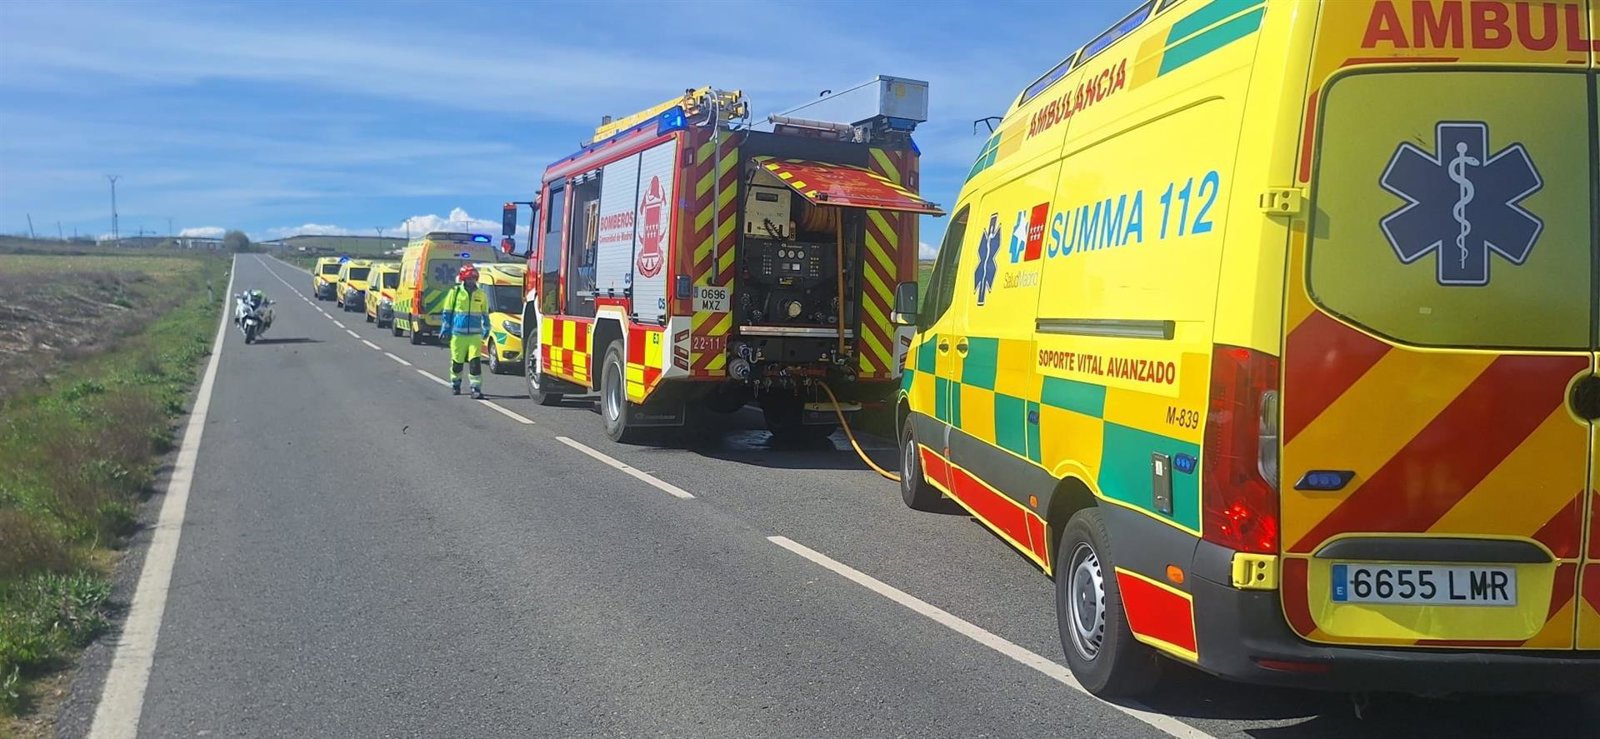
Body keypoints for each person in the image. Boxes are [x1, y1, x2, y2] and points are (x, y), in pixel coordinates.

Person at [439, 264, 490, 399]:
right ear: (463, 279)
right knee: (457, 362)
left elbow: (485, 313)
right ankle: (456, 383)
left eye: (473, 278)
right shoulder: (455, 293)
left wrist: (486, 327)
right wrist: (445, 329)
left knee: (475, 362)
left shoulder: (481, 294)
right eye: (469, 278)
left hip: (475, 335)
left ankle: (475, 388)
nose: (471, 281)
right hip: (458, 335)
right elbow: (447, 312)